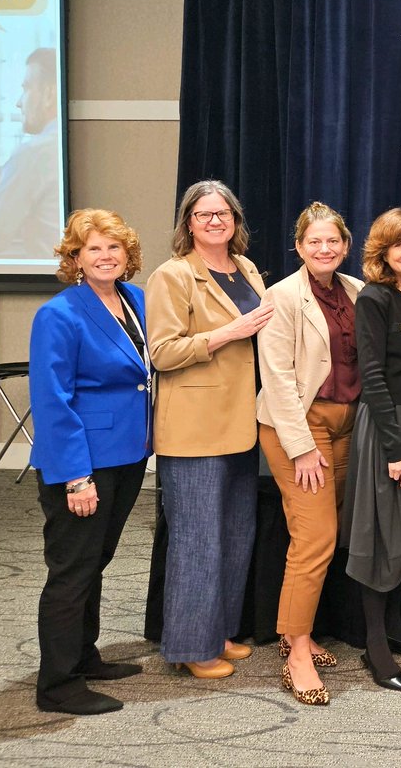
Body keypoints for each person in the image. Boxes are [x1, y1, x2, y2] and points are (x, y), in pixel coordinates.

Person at [147, 180, 272, 679]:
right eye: (204, 214)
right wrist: (227, 333)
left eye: (223, 213)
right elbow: (163, 353)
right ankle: (191, 647)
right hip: (195, 430)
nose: (215, 221)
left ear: (235, 221)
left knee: (235, 534)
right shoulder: (172, 275)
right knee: (197, 539)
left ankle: (217, 632)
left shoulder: (245, 269)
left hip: (242, 424)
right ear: (188, 223)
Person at [29, 210, 150, 715]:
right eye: (93, 248)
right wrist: (77, 478)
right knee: (71, 571)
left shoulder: (135, 300)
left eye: (114, 248)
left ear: (128, 256)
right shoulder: (58, 314)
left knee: (94, 562)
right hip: (82, 464)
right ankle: (57, 684)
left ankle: (83, 654)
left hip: (128, 455)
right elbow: (53, 401)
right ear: (75, 258)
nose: (106, 256)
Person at [256, 202, 364, 706]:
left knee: (321, 533)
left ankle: (295, 630)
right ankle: (296, 651)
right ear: (299, 247)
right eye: (314, 242)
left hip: (346, 425)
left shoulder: (356, 291)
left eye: (333, 241)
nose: (324, 249)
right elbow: (275, 378)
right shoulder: (281, 296)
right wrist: (301, 449)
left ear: (345, 245)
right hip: (297, 427)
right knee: (316, 537)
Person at [342, 208, 401, 693]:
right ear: (383, 253)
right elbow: (373, 376)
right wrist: (397, 448)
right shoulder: (374, 299)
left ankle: (397, 625)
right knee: (382, 534)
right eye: (399, 244)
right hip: (388, 429)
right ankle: (375, 642)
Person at [0, 47, 62, 259]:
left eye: (26, 88)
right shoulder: (51, 147)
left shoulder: (35, 153)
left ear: (49, 94)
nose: (19, 102)